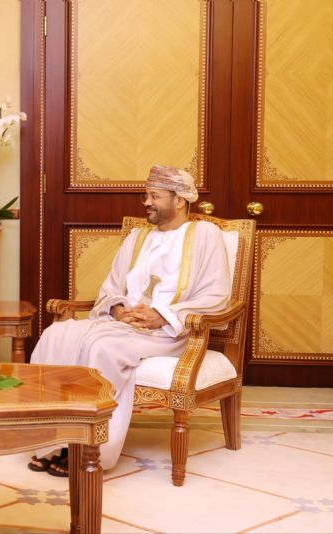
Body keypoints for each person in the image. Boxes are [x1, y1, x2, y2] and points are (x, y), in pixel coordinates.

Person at [28, 165, 231, 477]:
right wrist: (119, 310)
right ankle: (54, 440)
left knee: (102, 349)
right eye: (145, 195)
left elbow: (217, 295)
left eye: (154, 196)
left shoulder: (205, 235)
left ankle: (91, 450)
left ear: (179, 200)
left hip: (169, 332)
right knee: (56, 333)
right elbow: (111, 288)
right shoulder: (138, 237)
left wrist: (161, 315)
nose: (146, 202)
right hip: (123, 325)